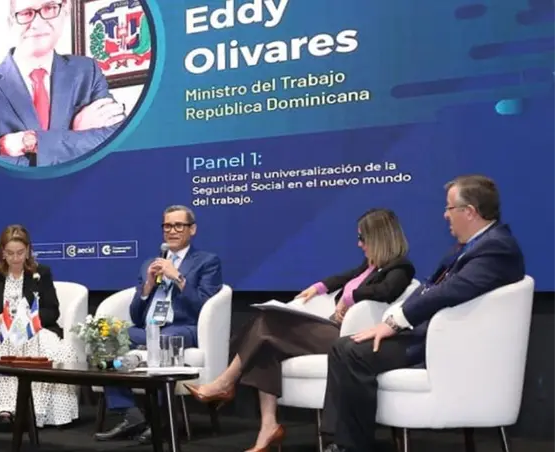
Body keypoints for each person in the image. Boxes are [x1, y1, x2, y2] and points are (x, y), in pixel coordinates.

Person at [321, 175, 526, 452]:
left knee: (355, 352)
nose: (445, 215)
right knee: (342, 347)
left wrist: (395, 323)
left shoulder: (497, 247)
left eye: (449, 208)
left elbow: (450, 291)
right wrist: (394, 318)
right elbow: (430, 287)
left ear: (469, 211)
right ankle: (337, 441)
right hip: (430, 335)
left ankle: (353, 446)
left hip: (448, 344)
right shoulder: (467, 247)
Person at [184, 208, 415, 452]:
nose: (359, 244)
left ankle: (225, 382)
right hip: (334, 328)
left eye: (362, 238)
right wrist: (319, 287)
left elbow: (386, 291)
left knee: (267, 323)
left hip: (349, 339)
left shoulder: (400, 267)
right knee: (265, 342)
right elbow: (344, 277)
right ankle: (268, 426)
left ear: (379, 237)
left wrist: (350, 299)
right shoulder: (370, 265)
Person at [94, 205, 223, 445]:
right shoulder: (149, 264)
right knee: (106, 338)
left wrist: (178, 277)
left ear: (192, 229)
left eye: (178, 226)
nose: (172, 231)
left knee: (163, 341)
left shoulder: (207, 261)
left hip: (182, 328)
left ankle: (161, 421)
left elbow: (204, 306)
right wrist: (147, 287)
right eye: (167, 226)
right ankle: (130, 414)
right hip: (148, 328)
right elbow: (136, 315)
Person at [0, 0, 126, 167]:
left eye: (49, 8)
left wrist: (32, 142)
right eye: (26, 13)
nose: (38, 23)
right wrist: (76, 138)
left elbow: (117, 139)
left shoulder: (88, 71)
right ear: (11, 22)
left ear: (64, 13)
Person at [0, 224, 79, 431]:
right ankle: (4, 411)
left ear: (28, 250)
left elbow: (52, 311)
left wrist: (30, 319)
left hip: (35, 331)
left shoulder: (41, 273)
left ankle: (33, 412)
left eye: (20, 253)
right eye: (10, 253)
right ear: (2, 253)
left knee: (46, 348)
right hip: (3, 333)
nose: (15, 258)